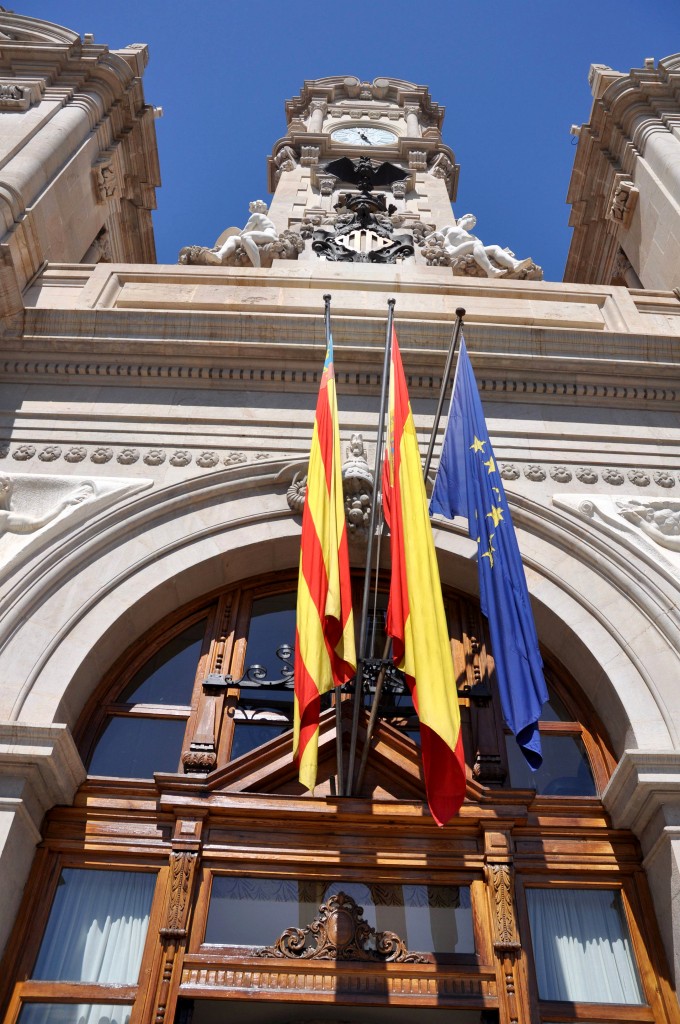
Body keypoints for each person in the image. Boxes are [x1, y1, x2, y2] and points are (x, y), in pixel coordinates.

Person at [426, 213, 533, 278]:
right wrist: (437, 236)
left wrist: (505, 253)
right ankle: (490, 270)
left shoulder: (472, 236)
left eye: (474, 223)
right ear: (463, 218)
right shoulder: (450, 228)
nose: (473, 223)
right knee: (475, 244)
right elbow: (433, 236)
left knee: (494, 247)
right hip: (452, 253)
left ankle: (514, 264)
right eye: (472, 220)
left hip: (469, 252)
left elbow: (481, 249)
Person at [208, 200, 278, 268]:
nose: (252, 210)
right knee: (233, 238)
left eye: (253, 207)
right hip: (262, 237)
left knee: (245, 237)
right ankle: (219, 255)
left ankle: (257, 266)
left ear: (260, 207)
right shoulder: (261, 220)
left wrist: (237, 234)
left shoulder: (256, 215)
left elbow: (246, 231)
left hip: (271, 237)